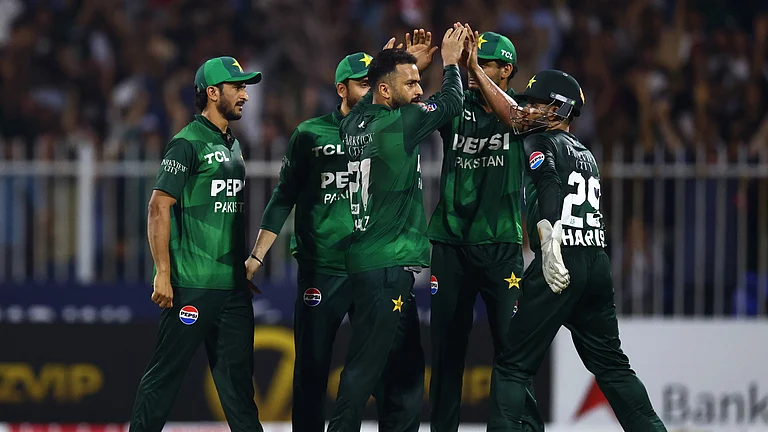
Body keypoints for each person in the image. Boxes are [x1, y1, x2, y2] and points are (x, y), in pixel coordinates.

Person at [466, 38, 668, 431]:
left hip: (560, 257)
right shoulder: (585, 152)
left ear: (558, 108)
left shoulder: (541, 139)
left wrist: (548, 233)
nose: (529, 109)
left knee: (512, 365)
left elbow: (548, 184)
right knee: (612, 367)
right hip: (596, 260)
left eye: (537, 103)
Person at [327, 25, 468, 432]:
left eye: (421, 82)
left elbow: (377, 94)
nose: (419, 89)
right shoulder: (399, 124)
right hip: (387, 267)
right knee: (364, 369)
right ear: (386, 92)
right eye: (411, 84)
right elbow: (453, 101)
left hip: (376, 267)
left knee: (406, 372)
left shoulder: (353, 124)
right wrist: (451, 62)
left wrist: (404, 67)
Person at [130, 56, 264, 432]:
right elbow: (158, 207)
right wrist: (163, 273)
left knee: (239, 391)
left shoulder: (233, 145)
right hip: (192, 285)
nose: (245, 96)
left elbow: (227, 213)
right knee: (164, 379)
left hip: (233, 289)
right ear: (212, 92)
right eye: (237, 88)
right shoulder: (186, 143)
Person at [245, 52, 372, 432]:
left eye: (373, 83)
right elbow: (283, 197)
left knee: (377, 370)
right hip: (322, 270)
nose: (370, 92)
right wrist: (255, 257)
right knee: (312, 372)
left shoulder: (389, 128)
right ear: (341, 88)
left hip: (372, 270)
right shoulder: (310, 134)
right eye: (362, 84)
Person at [425, 30, 543, 432]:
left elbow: (517, 120)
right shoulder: (456, 101)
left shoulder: (520, 107)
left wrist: (470, 65)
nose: (473, 68)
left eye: (484, 62)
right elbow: (418, 115)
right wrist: (440, 67)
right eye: (472, 60)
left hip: (501, 249)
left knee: (513, 351)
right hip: (451, 245)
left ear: (506, 69)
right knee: (446, 354)